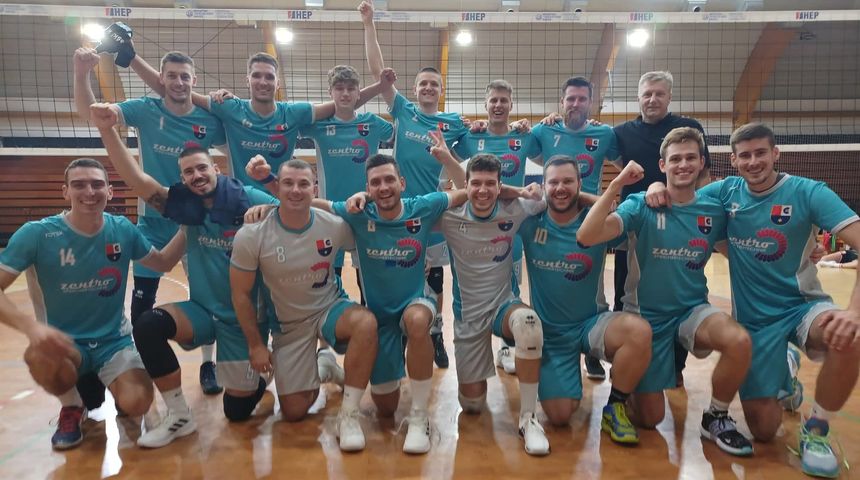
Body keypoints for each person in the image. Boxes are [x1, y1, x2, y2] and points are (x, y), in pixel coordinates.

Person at [648, 123, 860, 477]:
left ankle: (817, 431)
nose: (753, 161)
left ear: (776, 153)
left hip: (803, 306)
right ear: (733, 160)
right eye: (744, 155)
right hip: (756, 322)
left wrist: (854, 312)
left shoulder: (809, 192)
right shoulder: (725, 192)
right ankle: (785, 367)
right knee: (763, 430)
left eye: (761, 153)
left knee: (851, 338)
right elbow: (680, 197)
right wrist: (656, 186)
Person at [245, 128, 466, 454]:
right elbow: (307, 200)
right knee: (386, 408)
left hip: (415, 304)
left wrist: (447, 158)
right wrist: (271, 202)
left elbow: (467, 190)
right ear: (368, 188)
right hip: (380, 319)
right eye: (375, 183)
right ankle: (333, 368)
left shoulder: (424, 206)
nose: (383, 187)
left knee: (419, 321)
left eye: (389, 180)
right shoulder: (358, 213)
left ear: (402, 183)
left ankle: (420, 417)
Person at [93, 106, 287, 448]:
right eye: (188, 172)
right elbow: (139, 181)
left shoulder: (246, 197)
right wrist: (107, 130)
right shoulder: (188, 208)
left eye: (201, 168)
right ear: (182, 179)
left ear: (216, 169)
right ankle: (179, 415)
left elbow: (294, 209)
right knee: (148, 325)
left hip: (243, 321)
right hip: (202, 311)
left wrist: (270, 207)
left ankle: (260, 374)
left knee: (236, 411)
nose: (196, 175)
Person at [578, 127, 755, 457]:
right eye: (675, 159)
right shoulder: (641, 205)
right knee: (651, 419)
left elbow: (739, 251)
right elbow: (587, 236)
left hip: (692, 311)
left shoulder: (713, 209)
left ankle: (716, 416)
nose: (683, 165)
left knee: (739, 340)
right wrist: (617, 185)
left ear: (701, 162)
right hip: (646, 317)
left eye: (690, 158)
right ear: (663, 165)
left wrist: (806, 256)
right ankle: (626, 383)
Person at [0, 158, 184, 450]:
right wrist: (31, 328)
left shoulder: (121, 230)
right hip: (64, 345)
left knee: (137, 402)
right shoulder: (37, 234)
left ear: (109, 191)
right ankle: (71, 406)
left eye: (97, 184)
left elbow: (162, 262)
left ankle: (111, 387)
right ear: (65, 192)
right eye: (79, 185)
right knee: (39, 356)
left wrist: (190, 227)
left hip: (114, 342)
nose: (89, 191)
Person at [74, 48, 228, 394]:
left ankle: (209, 364)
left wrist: (224, 102)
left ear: (194, 80)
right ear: (161, 78)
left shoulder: (209, 120)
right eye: (171, 75)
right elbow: (91, 113)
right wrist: (82, 73)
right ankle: (144, 363)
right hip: (153, 218)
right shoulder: (144, 109)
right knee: (142, 301)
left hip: (195, 222)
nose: (178, 82)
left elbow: (236, 146)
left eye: (185, 76)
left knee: (207, 297)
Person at [229, 159, 379, 451]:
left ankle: (348, 415)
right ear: (278, 187)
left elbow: (371, 230)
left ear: (315, 189)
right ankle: (325, 367)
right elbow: (240, 294)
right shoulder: (252, 234)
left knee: (365, 322)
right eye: (288, 183)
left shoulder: (334, 226)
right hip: (289, 324)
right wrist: (256, 345)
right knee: (294, 411)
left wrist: (367, 195)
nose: (295, 190)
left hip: (329, 307)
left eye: (303, 184)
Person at [361, 0, 471, 367]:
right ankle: (398, 331)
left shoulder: (453, 123)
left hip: (433, 210)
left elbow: (474, 150)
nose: (427, 88)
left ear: (441, 90)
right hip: (396, 210)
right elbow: (378, 72)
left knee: (435, 279)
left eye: (433, 84)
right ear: (415, 88)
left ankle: (435, 333)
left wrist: (484, 127)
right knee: (399, 270)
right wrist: (369, 23)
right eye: (423, 83)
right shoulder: (403, 110)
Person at [518, 155, 652, 445]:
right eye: (553, 182)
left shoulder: (596, 223)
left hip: (591, 323)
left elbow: (632, 213)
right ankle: (561, 374)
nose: (560, 188)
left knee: (639, 332)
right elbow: (490, 198)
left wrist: (653, 187)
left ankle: (615, 405)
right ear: (543, 186)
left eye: (568, 181)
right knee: (559, 415)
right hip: (552, 333)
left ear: (580, 184)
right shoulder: (529, 223)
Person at [433, 147, 551, 455]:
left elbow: (555, 195)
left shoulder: (515, 209)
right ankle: (491, 364)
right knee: (471, 405)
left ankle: (529, 419)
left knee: (529, 324)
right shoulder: (448, 216)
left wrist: (528, 190)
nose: (483, 190)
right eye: (476, 183)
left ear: (500, 187)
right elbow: (405, 212)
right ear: (466, 185)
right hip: (468, 314)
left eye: (490, 184)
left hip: (503, 304)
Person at [612, 71, 711, 385]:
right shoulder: (622, 133)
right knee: (625, 292)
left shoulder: (689, 128)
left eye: (659, 94)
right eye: (647, 94)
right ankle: (623, 364)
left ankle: (675, 367)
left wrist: (700, 215)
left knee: (677, 295)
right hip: (635, 224)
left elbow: (703, 176)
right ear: (638, 98)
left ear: (670, 97)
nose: (652, 99)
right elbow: (610, 160)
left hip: (680, 225)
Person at [533, 76, 622, 380]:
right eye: (570, 98)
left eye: (582, 99)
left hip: (589, 220)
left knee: (593, 284)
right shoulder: (545, 129)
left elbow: (625, 164)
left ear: (590, 103)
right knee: (554, 277)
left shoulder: (604, 133)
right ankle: (551, 342)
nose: (575, 104)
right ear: (562, 102)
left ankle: (592, 350)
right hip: (553, 215)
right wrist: (520, 124)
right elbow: (519, 146)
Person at [453, 79, 541, 375]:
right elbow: (447, 160)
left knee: (511, 285)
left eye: (504, 100)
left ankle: (505, 347)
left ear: (511, 105)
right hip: (478, 219)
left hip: (512, 221)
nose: (499, 105)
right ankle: (474, 341)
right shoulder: (471, 137)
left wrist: (549, 119)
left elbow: (550, 154)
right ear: (486, 104)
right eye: (494, 100)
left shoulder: (525, 137)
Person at [298, 65, 394, 297]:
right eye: (339, 88)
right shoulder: (318, 125)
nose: (345, 93)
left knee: (368, 283)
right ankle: (333, 318)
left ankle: (370, 317)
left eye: (351, 88)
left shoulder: (373, 123)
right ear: (330, 92)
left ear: (359, 92)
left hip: (366, 211)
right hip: (329, 213)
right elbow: (286, 121)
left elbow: (401, 132)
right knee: (330, 279)